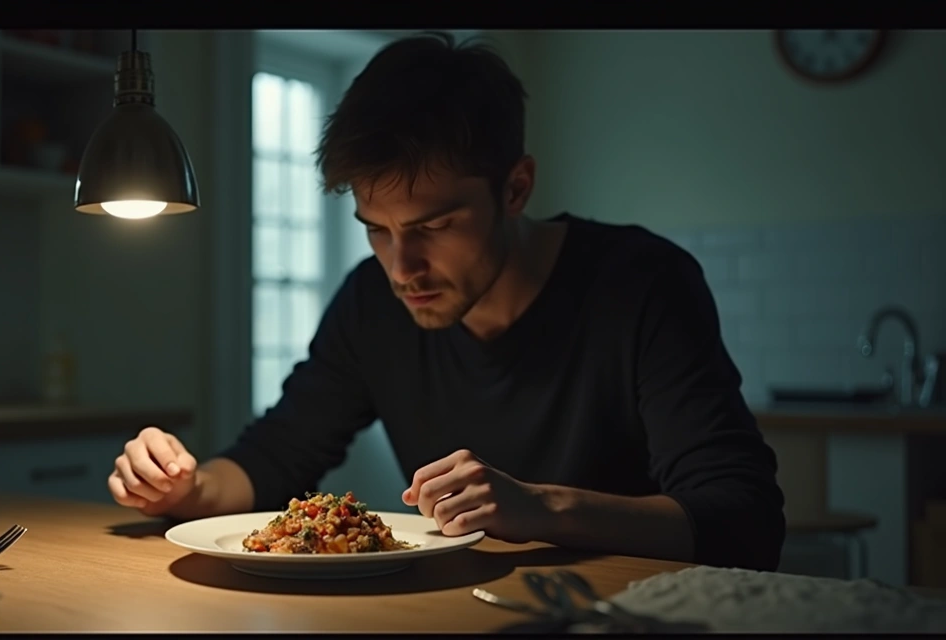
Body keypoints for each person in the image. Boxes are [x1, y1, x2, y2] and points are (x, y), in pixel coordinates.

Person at [108, 32, 786, 571]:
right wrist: (185, 490)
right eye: (378, 230)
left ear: (515, 188)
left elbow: (742, 523)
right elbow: (273, 459)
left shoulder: (642, 283)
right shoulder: (371, 305)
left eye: (433, 227)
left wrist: (543, 508)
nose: (403, 268)